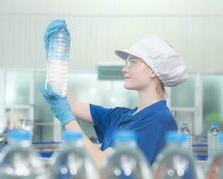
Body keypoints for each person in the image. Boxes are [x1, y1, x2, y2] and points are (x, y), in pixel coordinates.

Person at [40, 20, 188, 167]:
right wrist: (55, 59)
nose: (124, 69)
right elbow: (70, 106)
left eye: (133, 62)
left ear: (153, 70)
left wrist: (68, 120)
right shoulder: (119, 116)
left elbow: (106, 166)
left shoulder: (159, 121)